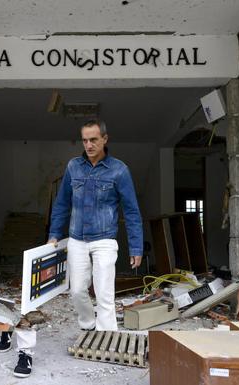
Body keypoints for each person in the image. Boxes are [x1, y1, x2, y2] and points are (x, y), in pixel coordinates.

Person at [48, 119, 143, 331]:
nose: (89, 145)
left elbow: (131, 211)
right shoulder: (73, 167)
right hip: (77, 240)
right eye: (85, 141)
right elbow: (62, 203)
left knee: (104, 293)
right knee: (77, 290)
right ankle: (89, 325)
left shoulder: (119, 171)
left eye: (94, 140)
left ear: (105, 139)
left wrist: (136, 247)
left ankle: (107, 337)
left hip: (105, 240)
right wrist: (54, 233)